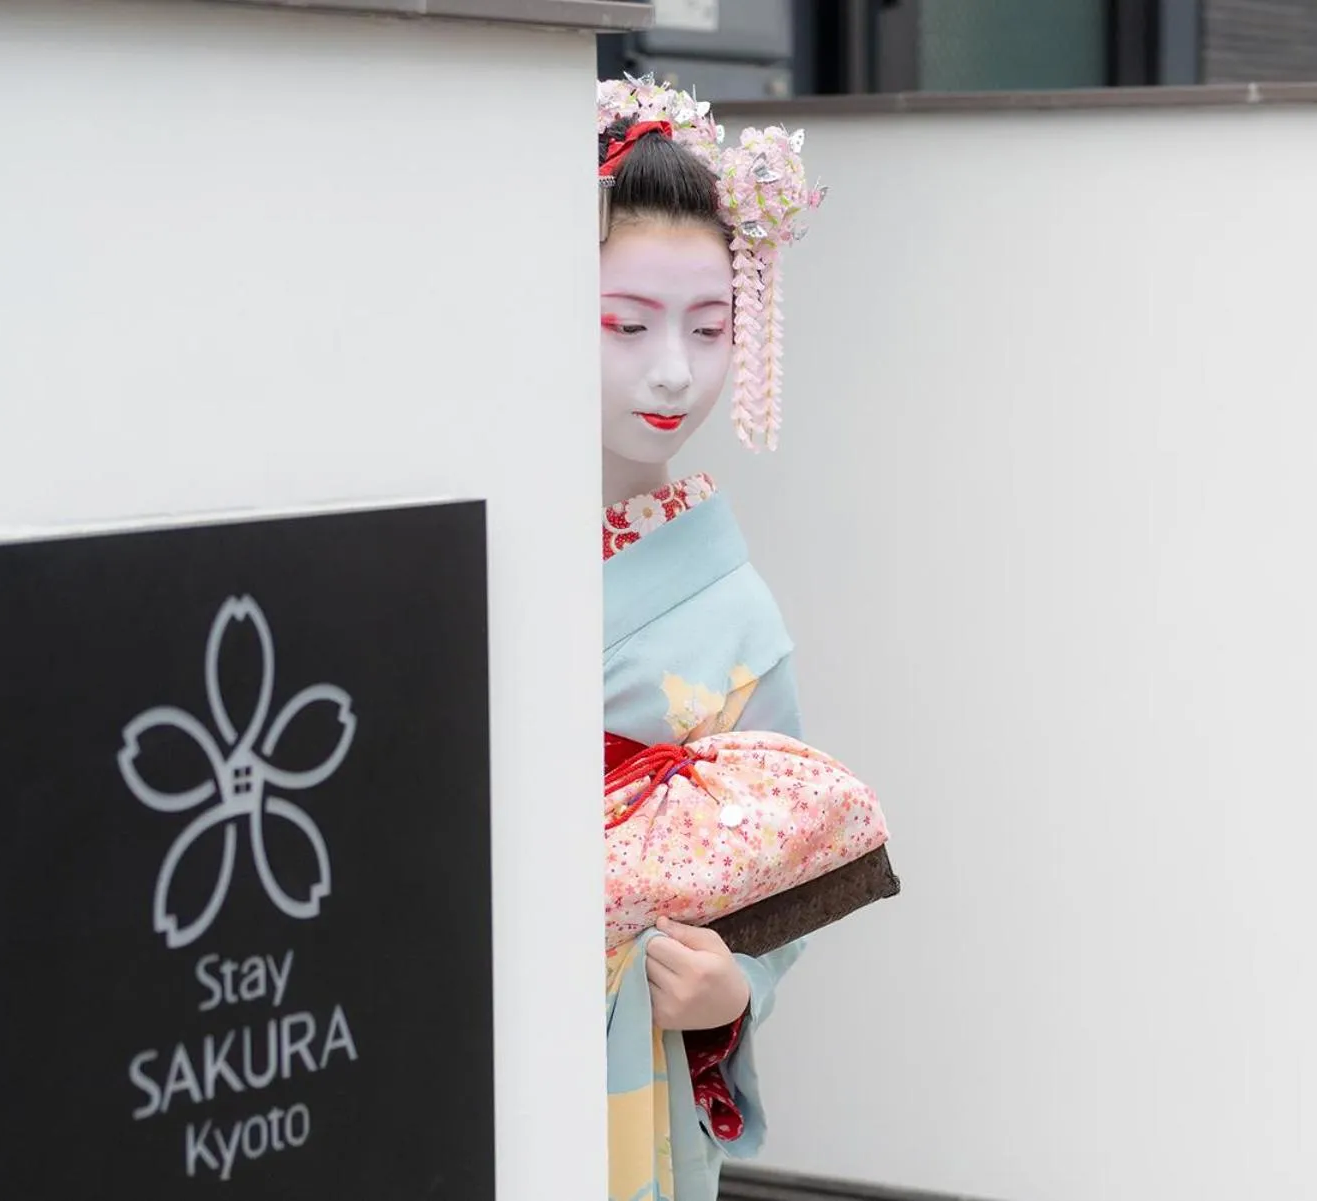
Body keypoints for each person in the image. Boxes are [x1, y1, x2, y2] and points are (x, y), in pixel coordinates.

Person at [596, 74, 825, 1201]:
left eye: (709, 325)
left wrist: (734, 981)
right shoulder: (466, 548)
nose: (674, 369)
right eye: (626, 324)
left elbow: (785, 872)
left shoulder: (735, 611)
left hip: (620, 1041)